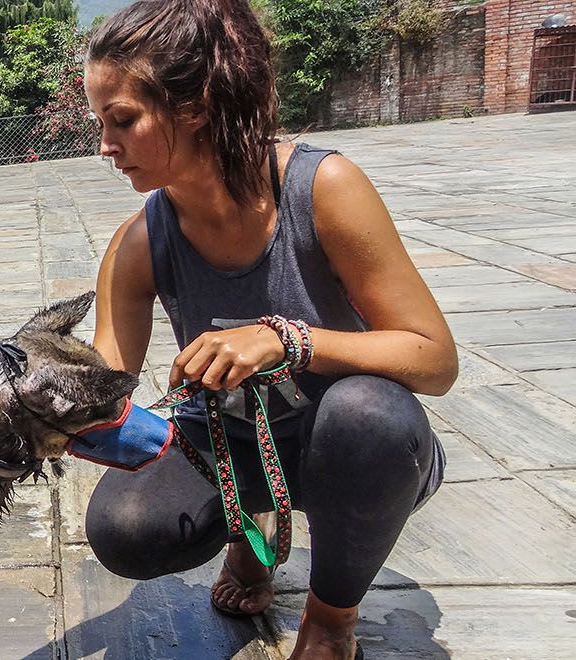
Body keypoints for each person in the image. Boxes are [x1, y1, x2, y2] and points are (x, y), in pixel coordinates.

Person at [82, 2, 457, 659]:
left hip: (341, 439)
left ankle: (331, 614)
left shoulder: (321, 189)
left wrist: (287, 339)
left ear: (194, 106)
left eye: (123, 121)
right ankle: (250, 536)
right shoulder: (140, 242)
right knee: (124, 525)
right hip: (231, 443)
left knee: (370, 419)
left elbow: (435, 358)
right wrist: (50, 412)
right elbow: (99, 390)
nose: (106, 146)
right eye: (100, 123)